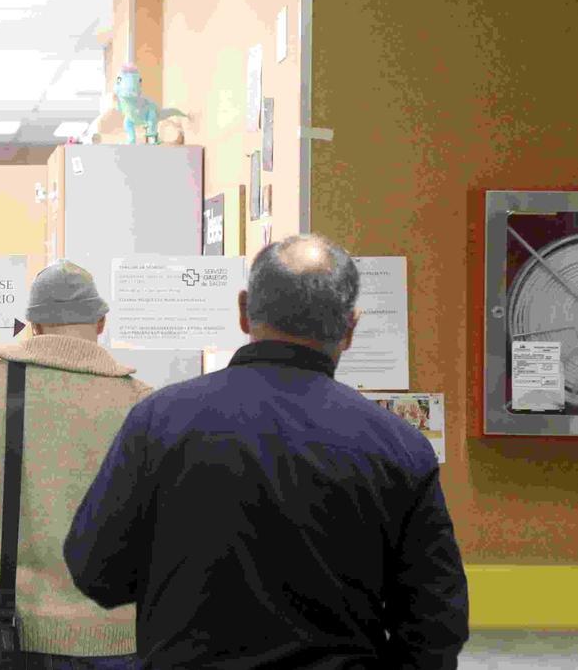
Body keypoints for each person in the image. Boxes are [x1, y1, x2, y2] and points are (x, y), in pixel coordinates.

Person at [64, 234, 469, 669]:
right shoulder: (400, 447)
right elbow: (436, 621)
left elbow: (96, 572)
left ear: (243, 311)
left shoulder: (158, 420)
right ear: (350, 328)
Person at [0, 261, 152, 670]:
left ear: (33, 325)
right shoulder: (141, 402)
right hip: (119, 635)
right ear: (101, 323)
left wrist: (5, 549)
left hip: (12, 631)